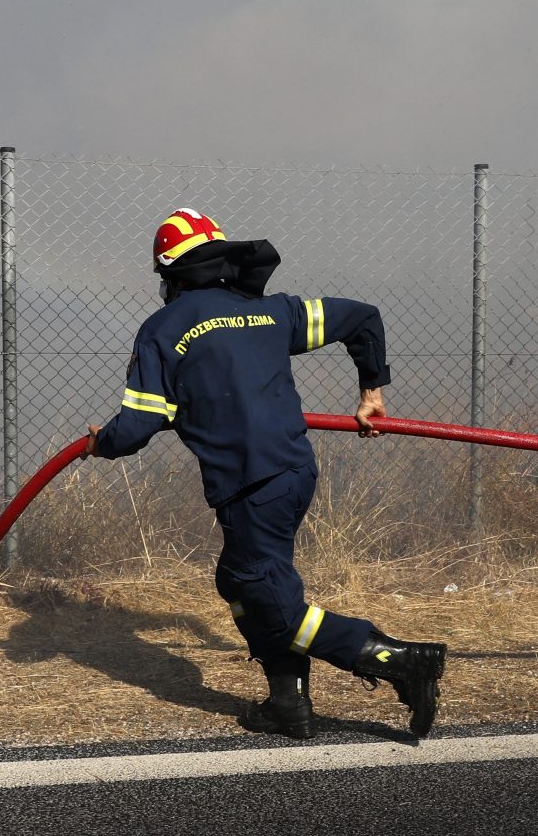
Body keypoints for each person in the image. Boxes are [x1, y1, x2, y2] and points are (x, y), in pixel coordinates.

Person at [88, 208, 448, 741]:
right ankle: (287, 703)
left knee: (276, 610)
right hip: (292, 472)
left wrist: (102, 443)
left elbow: (140, 422)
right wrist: (371, 392)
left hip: (250, 485)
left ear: (171, 277)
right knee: (238, 580)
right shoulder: (270, 314)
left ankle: (398, 659)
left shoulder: (163, 330)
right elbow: (361, 317)